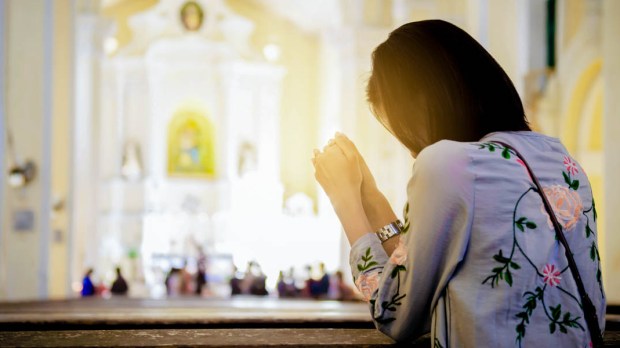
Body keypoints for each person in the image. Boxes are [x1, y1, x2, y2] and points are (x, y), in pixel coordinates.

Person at [312, 20, 605, 346]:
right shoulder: (560, 160)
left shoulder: (446, 163)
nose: (410, 147)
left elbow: (394, 312)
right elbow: (417, 273)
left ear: (421, 103)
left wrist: (345, 200)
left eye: (401, 127)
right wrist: (372, 197)